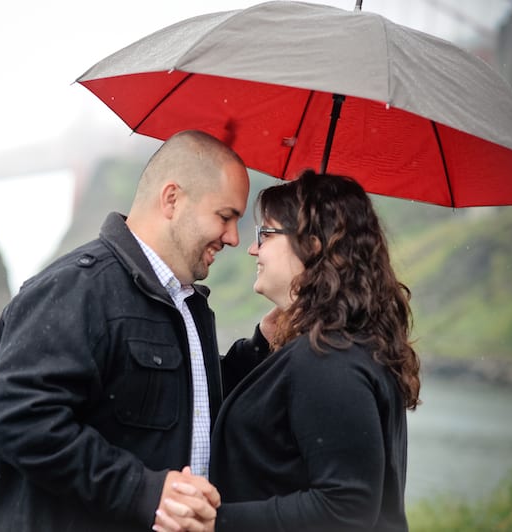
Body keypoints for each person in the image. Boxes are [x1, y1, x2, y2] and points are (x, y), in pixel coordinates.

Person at [0, 129, 251, 531]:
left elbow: (172, 402)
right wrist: (142, 491)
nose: (233, 237)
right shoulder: (74, 288)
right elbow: (16, 417)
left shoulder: (190, 305)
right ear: (172, 199)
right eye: (225, 216)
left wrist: (260, 348)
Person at [156, 171, 421, 532]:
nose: (252, 248)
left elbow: (345, 508)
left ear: (311, 246)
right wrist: (262, 343)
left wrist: (215, 521)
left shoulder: (329, 359)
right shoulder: (337, 346)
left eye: (265, 234)